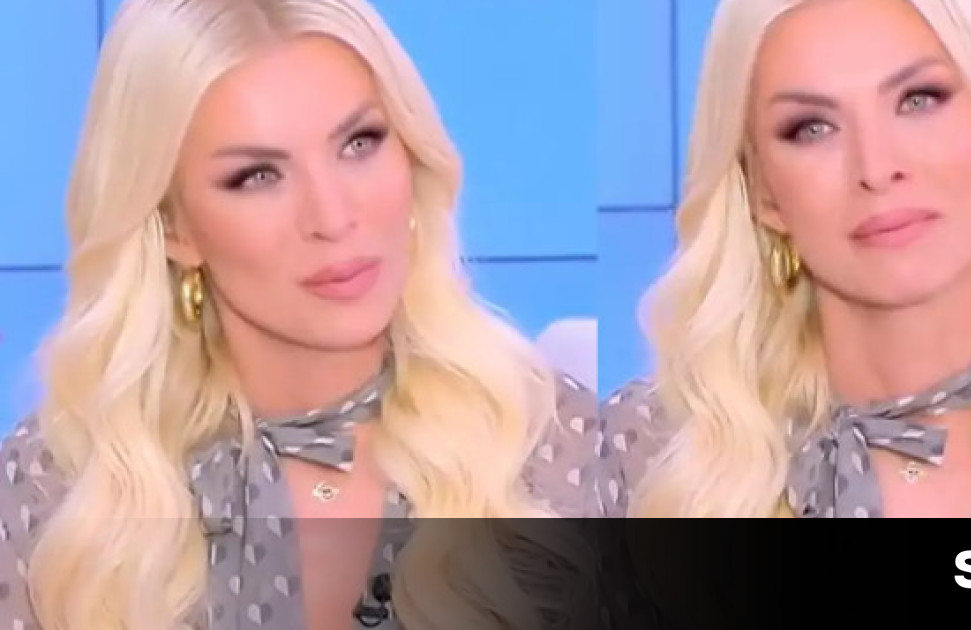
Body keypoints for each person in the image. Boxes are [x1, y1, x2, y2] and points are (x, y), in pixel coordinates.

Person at [0, 0, 605, 628]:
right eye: (257, 176)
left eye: (359, 143)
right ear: (174, 228)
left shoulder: (555, 449)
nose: (333, 217)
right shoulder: (56, 497)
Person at [599, 0, 971, 518]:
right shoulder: (648, 454)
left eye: (919, 99)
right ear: (763, 194)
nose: (877, 167)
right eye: (811, 128)